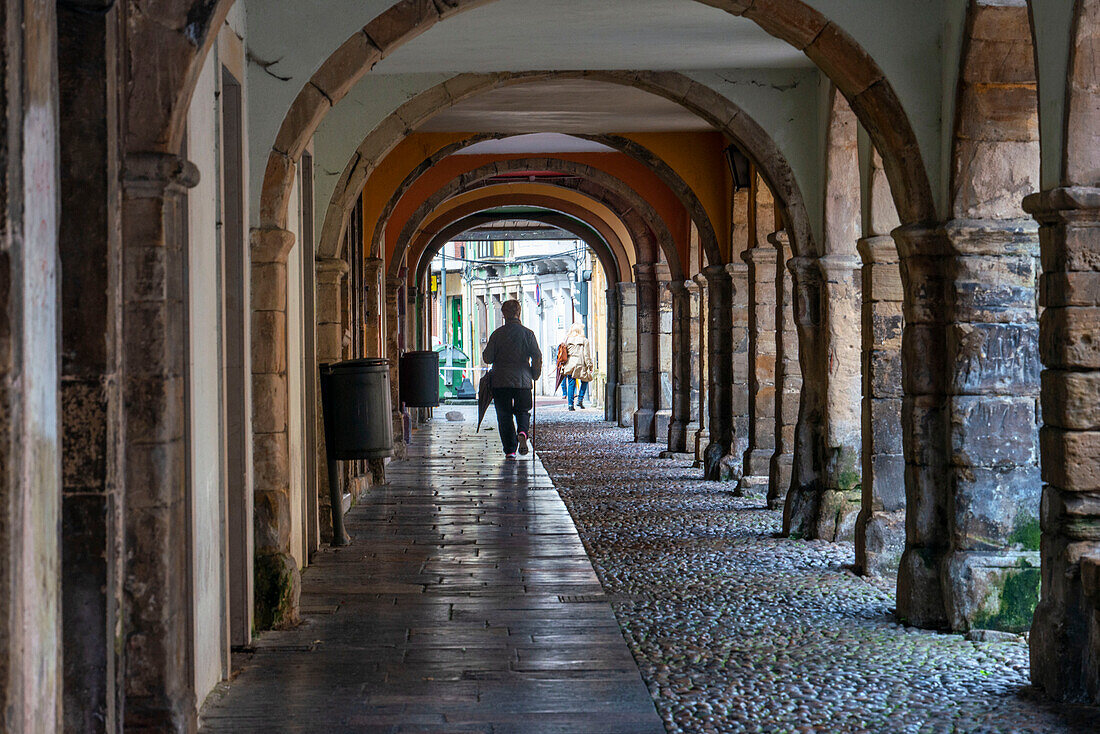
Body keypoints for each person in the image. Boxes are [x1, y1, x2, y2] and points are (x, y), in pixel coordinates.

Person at [482, 299, 542, 459]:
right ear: (519, 313)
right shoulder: (528, 334)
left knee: (504, 415)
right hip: (523, 379)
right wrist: (535, 373)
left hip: (500, 380)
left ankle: (510, 450)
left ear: (503, 314)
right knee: (523, 410)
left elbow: (487, 358)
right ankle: (522, 431)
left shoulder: (497, 334)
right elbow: (537, 355)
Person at [560, 322, 593, 411]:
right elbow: (586, 354)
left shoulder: (567, 340)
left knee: (571, 383)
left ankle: (570, 405)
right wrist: (590, 365)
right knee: (585, 380)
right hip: (580, 363)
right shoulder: (584, 340)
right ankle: (580, 399)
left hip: (570, 363)